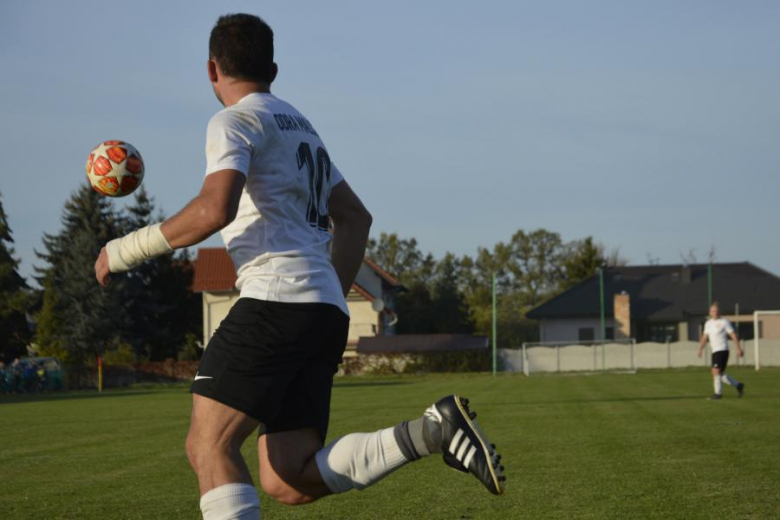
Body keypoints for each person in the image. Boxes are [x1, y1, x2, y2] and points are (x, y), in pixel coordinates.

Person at [94, 14, 504, 519]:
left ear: (211, 69)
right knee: (288, 475)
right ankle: (433, 430)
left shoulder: (233, 120)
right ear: (273, 68)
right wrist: (327, 290)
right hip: (322, 312)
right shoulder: (300, 128)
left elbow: (213, 209)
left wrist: (122, 250)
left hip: (274, 301)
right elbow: (355, 217)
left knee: (208, 446)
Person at [698, 302, 745, 400]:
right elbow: (704, 337)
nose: (715, 312)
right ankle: (738, 385)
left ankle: (718, 394)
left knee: (715, 371)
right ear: (710, 312)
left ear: (719, 312)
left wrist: (738, 348)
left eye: (716, 311)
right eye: (713, 311)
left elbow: (733, 335)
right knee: (720, 374)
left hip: (722, 350)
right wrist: (700, 348)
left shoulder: (724, 322)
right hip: (714, 351)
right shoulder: (708, 324)